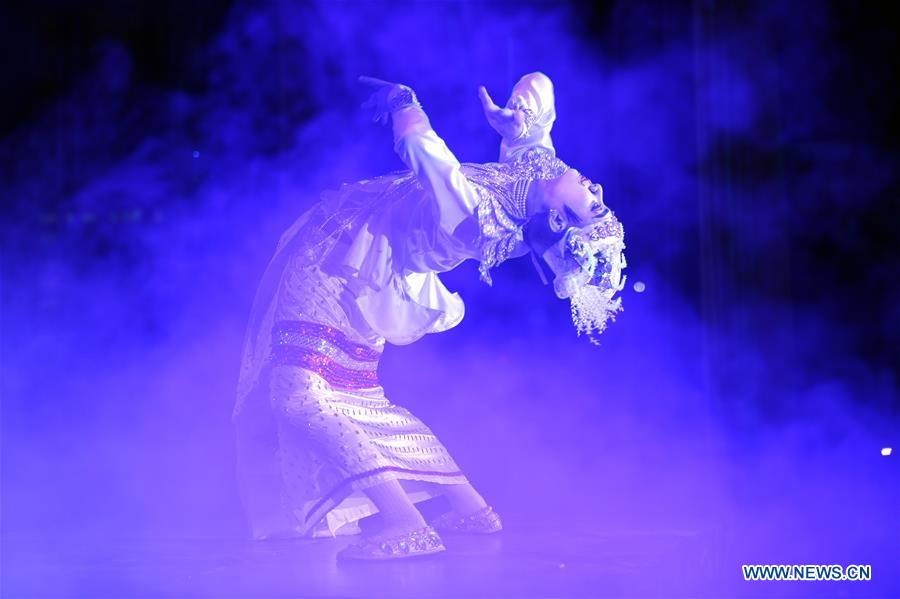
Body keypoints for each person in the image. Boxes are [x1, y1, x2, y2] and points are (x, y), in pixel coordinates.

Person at [231, 72, 626, 560]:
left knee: (297, 395)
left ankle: (404, 522)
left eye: (595, 207)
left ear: (560, 220)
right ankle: (470, 507)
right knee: (352, 392)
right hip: (358, 259)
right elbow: (540, 104)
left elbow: (424, 152)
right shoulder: (541, 176)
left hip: (342, 263)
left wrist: (403, 100)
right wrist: (521, 119)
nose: (598, 189)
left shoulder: (480, 219)